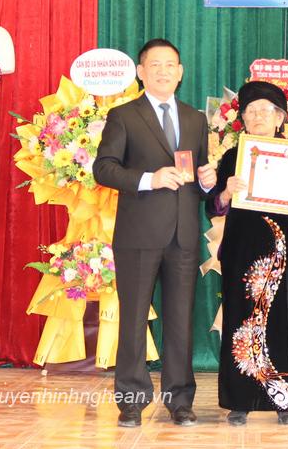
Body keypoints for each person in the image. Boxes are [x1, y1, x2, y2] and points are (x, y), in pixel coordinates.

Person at [93, 38, 216, 428]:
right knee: (133, 320)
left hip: (183, 234)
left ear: (181, 73)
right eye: (155, 65)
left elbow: (197, 177)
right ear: (141, 72)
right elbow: (104, 168)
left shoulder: (195, 118)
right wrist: (149, 178)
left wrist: (208, 181)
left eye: (171, 65)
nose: (164, 71)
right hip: (139, 234)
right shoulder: (124, 115)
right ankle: (131, 401)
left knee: (180, 321)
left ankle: (180, 400)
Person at [209, 81, 288, 426]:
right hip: (241, 245)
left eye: (265, 111)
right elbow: (215, 203)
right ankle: (240, 399)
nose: (258, 117)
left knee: (284, 317)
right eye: (250, 112)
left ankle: (286, 401)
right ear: (243, 119)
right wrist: (225, 192)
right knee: (242, 316)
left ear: (280, 118)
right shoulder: (231, 156)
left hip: (283, 245)